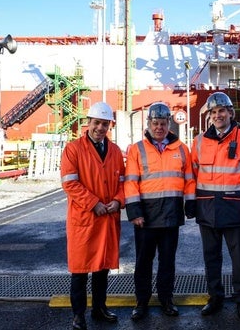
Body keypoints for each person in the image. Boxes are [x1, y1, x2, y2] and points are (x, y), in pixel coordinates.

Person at [187, 92, 240, 320]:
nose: (218, 115)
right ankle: (215, 298)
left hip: (234, 205)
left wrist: (235, 188)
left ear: (231, 113)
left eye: (222, 111)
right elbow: (193, 172)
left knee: (239, 258)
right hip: (208, 206)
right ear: (209, 116)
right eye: (214, 112)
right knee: (211, 257)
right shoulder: (198, 141)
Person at [125, 102, 196, 321]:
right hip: (145, 217)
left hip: (171, 215)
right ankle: (141, 302)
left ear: (169, 124)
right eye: (155, 123)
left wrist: (190, 204)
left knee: (167, 262)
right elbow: (130, 183)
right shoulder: (137, 149)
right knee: (143, 262)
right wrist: (135, 212)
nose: (159, 127)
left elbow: (189, 180)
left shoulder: (182, 149)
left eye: (163, 123)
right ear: (148, 124)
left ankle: (167, 300)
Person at [60, 101, 126, 330]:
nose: (100, 127)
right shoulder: (73, 149)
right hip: (85, 219)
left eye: (105, 124)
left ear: (110, 126)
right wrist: (93, 203)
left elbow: (122, 182)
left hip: (107, 218)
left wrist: (118, 200)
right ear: (88, 123)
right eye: (97, 123)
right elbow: (70, 183)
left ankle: (99, 308)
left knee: (102, 268)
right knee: (80, 271)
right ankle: (78, 316)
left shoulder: (115, 151)